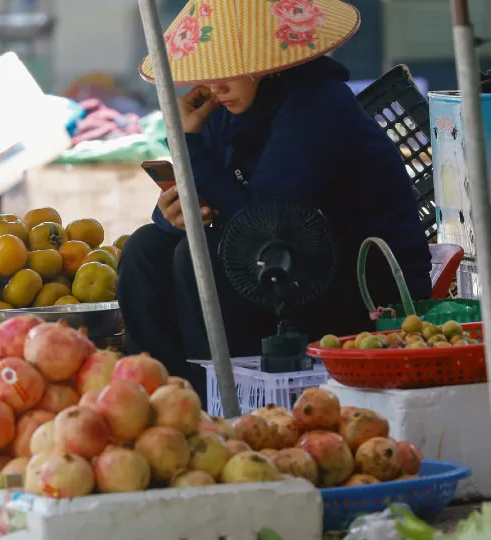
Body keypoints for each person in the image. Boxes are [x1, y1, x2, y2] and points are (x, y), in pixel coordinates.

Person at [117, 0, 433, 397]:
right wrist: (172, 215)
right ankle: (168, 396)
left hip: (362, 286)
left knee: (204, 256)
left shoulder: (317, 103)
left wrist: (188, 143)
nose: (215, 85)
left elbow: (266, 221)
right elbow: (205, 198)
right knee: (146, 247)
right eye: (209, 68)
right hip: (282, 270)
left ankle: (222, 403)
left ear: (268, 59)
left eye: (228, 65)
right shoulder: (222, 109)